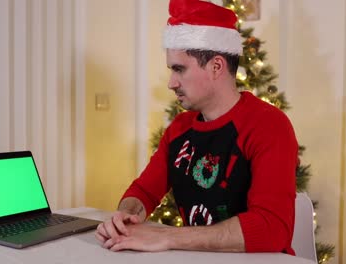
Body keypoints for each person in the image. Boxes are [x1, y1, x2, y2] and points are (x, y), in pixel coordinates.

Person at [95, 0, 298, 254]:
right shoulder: (179, 129)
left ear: (216, 67)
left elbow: (271, 229)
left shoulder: (269, 125)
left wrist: (167, 237)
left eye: (179, 69)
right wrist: (125, 218)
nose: (171, 82)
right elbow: (144, 191)